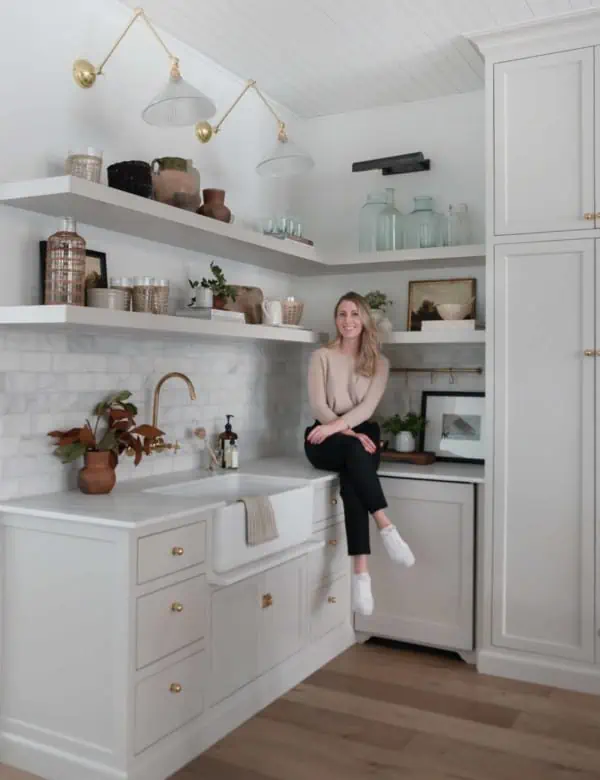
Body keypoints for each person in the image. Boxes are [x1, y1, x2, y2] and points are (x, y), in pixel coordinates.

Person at [304, 291, 415, 616]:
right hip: (322, 434)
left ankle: (361, 577)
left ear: (364, 319)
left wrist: (350, 430)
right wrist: (344, 431)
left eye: (354, 314)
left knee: (353, 483)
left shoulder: (379, 363)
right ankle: (386, 527)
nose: (348, 320)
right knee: (355, 450)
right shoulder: (321, 356)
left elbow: (367, 408)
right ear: (336, 320)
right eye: (342, 314)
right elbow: (318, 406)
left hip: (360, 432)